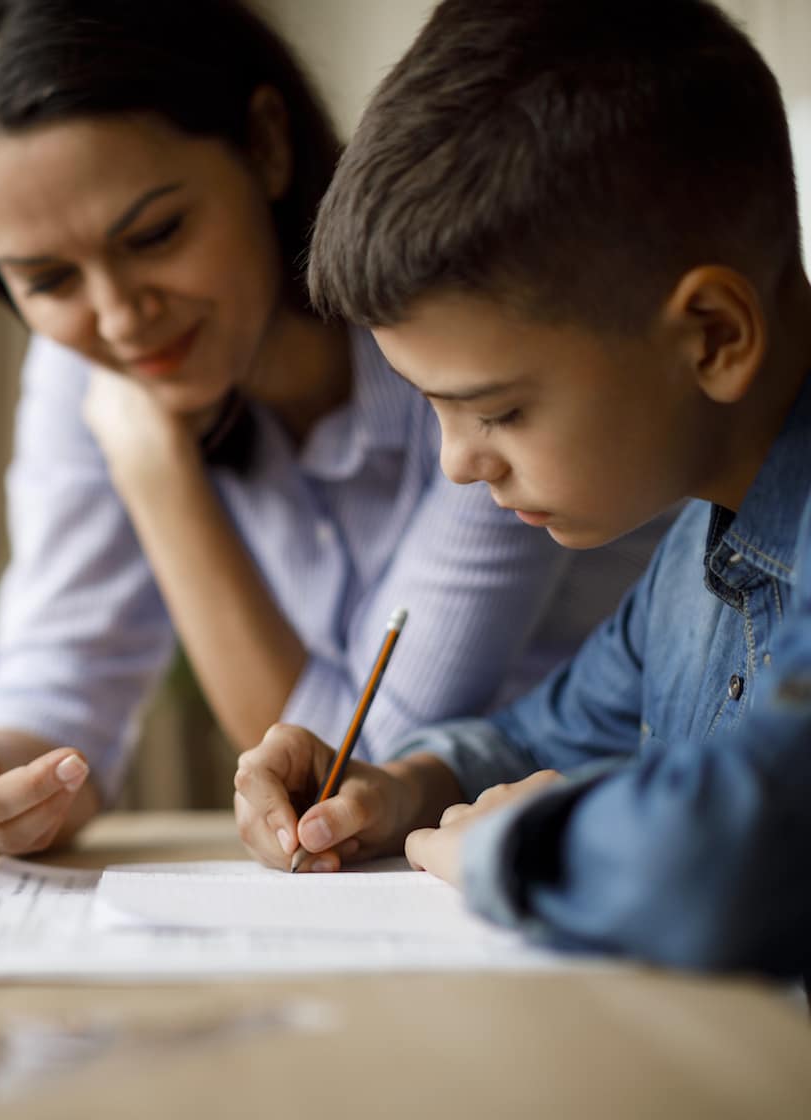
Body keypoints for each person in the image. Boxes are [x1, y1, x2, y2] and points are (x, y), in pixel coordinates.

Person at [0, 0, 662, 857]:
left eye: (155, 234)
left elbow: (356, 768)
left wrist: (156, 472)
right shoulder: (90, 365)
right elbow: (63, 693)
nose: (118, 318)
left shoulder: (469, 344)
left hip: (597, 840)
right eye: (46, 279)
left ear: (264, 142)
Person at [234, 0, 811, 975]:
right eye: (433, 408)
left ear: (713, 334)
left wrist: (510, 843)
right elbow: (545, 730)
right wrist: (404, 788)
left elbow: (724, 859)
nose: (459, 462)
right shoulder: (700, 543)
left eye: (496, 410)